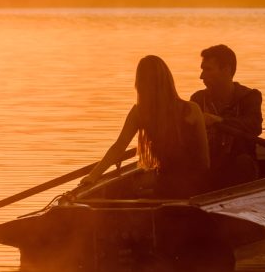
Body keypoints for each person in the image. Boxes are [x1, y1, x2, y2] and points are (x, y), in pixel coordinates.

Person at [82, 55, 209, 198]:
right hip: (193, 185)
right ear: (168, 80)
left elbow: (118, 147)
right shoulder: (193, 109)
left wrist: (93, 176)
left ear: (140, 83)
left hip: (171, 185)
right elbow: (204, 161)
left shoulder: (140, 112)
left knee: (127, 190)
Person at [189, 45, 263, 188]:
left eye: (208, 69)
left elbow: (254, 126)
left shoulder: (249, 97)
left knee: (243, 163)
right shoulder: (197, 99)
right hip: (208, 166)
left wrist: (219, 120)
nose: (201, 76)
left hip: (238, 167)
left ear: (227, 70)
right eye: (202, 69)